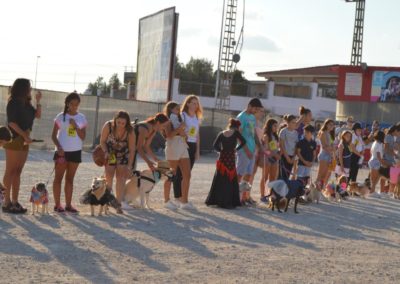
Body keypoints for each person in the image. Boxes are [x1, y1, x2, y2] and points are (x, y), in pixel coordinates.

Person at [2, 78, 42, 214]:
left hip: (25, 139)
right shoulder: (13, 102)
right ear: (23, 88)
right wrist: (24, 136)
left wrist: (38, 101)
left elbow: (37, 115)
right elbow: (12, 123)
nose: (31, 89)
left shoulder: (26, 104)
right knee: (10, 171)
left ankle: (15, 201)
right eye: (29, 87)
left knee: (18, 171)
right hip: (15, 139)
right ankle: (5, 202)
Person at [52, 92, 87, 213]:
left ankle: (68, 205)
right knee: (58, 179)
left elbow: (82, 137)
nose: (74, 106)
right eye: (72, 104)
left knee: (70, 179)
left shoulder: (81, 118)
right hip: (61, 152)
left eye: (76, 104)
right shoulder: (60, 117)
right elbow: (53, 136)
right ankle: (57, 205)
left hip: (75, 151)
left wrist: (75, 125)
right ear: (67, 103)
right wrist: (59, 147)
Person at [205, 119, 246, 209]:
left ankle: (218, 200)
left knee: (220, 178)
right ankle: (229, 201)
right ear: (237, 127)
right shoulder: (235, 133)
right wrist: (236, 149)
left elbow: (215, 145)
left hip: (223, 158)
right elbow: (244, 142)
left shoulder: (221, 133)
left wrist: (221, 151)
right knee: (229, 179)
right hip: (230, 158)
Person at [99, 110, 135, 212]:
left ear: (127, 123)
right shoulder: (108, 126)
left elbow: (132, 150)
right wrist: (105, 151)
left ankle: (118, 204)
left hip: (123, 155)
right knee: (109, 177)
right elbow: (102, 141)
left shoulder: (130, 131)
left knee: (121, 178)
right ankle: (107, 202)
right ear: (115, 120)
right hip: (110, 154)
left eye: (123, 123)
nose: (120, 125)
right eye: (118, 122)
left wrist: (129, 166)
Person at [172, 95, 203, 205]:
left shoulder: (197, 117)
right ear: (188, 103)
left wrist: (197, 150)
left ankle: (183, 197)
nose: (195, 105)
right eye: (193, 103)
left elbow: (197, 134)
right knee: (180, 173)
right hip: (183, 144)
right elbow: (180, 130)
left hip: (193, 145)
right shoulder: (183, 115)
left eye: (196, 103)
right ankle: (178, 197)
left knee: (187, 173)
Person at [162, 101, 192, 209]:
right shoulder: (167, 121)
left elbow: (181, 133)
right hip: (172, 147)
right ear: (170, 110)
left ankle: (184, 201)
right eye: (176, 109)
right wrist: (180, 129)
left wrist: (185, 135)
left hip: (183, 145)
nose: (178, 111)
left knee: (187, 175)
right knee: (170, 175)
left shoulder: (180, 120)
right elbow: (169, 136)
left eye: (179, 109)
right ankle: (166, 201)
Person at [236, 98, 263, 205]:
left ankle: (243, 198)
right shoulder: (241, 117)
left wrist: (260, 145)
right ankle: (235, 196)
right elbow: (238, 135)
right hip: (243, 150)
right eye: (255, 108)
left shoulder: (252, 117)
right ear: (250, 106)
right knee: (240, 174)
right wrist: (246, 149)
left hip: (252, 150)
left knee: (248, 174)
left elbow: (254, 133)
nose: (256, 111)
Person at [259, 119, 280, 203]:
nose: (276, 127)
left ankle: (270, 194)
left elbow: (275, 148)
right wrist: (273, 154)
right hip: (267, 159)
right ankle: (262, 195)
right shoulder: (266, 136)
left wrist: (278, 154)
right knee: (265, 177)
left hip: (275, 159)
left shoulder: (275, 136)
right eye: (274, 125)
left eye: (277, 126)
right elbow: (265, 149)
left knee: (273, 178)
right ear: (270, 125)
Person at [316, 119, 335, 189]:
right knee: (320, 175)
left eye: (333, 125)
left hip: (329, 156)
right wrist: (332, 148)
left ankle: (320, 190)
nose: (332, 126)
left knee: (325, 176)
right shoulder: (323, 133)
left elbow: (332, 145)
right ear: (326, 124)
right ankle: (316, 190)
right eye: (330, 124)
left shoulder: (330, 134)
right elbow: (324, 146)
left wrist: (332, 149)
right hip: (324, 155)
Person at [278, 114, 299, 181]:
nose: (294, 124)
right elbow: (282, 145)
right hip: (284, 156)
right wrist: (287, 157)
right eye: (293, 122)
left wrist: (293, 157)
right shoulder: (283, 131)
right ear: (288, 123)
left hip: (292, 156)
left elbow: (296, 146)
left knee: (287, 176)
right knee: (281, 176)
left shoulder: (296, 133)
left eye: (295, 122)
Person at [383, 124, 400, 197]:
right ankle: (390, 192)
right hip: (391, 159)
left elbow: (393, 148)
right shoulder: (390, 137)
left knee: (394, 176)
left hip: (393, 158)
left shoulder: (392, 137)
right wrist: (395, 154)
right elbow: (387, 148)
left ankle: (393, 192)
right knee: (393, 176)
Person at [368, 131, 386, 196]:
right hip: (376, 161)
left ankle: (372, 191)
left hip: (372, 160)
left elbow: (371, 152)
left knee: (374, 178)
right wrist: (382, 162)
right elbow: (378, 155)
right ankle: (372, 192)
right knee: (375, 178)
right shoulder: (379, 144)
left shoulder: (374, 143)